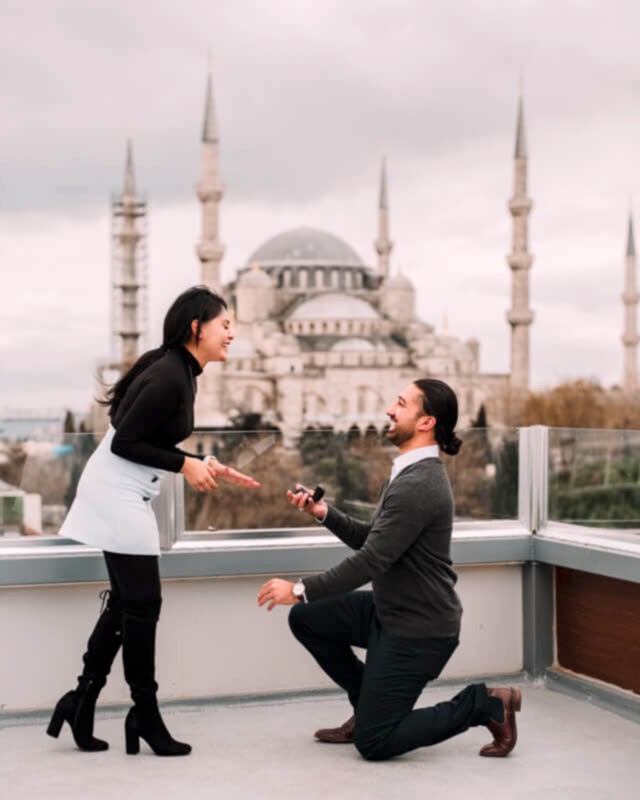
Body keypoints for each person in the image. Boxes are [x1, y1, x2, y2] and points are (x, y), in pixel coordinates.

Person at [257, 378, 521, 762]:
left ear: (426, 421)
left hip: (420, 630)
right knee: (308, 619)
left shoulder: (420, 483)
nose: (389, 410)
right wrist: (323, 513)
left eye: (400, 403)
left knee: (375, 743)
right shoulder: (407, 474)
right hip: (392, 611)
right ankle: (366, 706)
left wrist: (298, 589)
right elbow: (377, 541)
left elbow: (372, 561)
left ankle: (484, 704)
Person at [48, 286, 260, 757]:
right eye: (225, 324)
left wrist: (199, 460)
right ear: (196, 328)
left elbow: (144, 438)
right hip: (117, 493)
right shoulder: (170, 375)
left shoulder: (177, 368)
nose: (232, 333)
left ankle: (80, 700)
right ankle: (144, 715)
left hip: (121, 489)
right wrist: (185, 466)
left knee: (128, 604)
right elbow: (126, 444)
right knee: (144, 605)